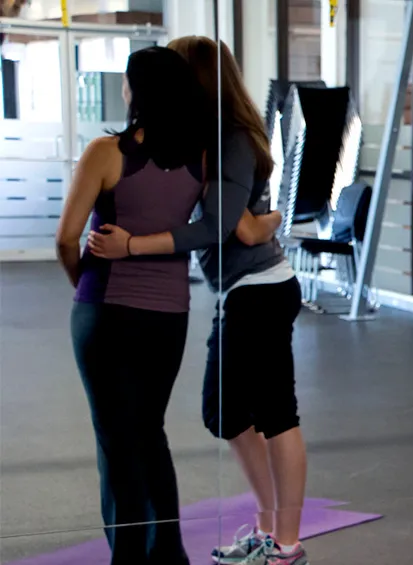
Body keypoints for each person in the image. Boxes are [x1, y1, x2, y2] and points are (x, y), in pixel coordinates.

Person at [87, 36, 310, 565]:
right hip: (240, 291)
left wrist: (133, 245)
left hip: (261, 289)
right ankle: (267, 527)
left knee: (274, 413)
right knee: (225, 412)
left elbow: (228, 228)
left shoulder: (230, 137)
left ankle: (286, 543)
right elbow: (245, 222)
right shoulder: (200, 139)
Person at [56, 46, 210, 565]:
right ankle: (168, 554)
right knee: (150, 431)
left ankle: (127, 557)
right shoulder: (201, 157)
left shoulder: (107, 151)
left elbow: (66, 237)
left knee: (116, 439)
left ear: (136, 91)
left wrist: (84, 282)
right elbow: (207, 227)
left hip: (106, 309)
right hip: (170, 314)